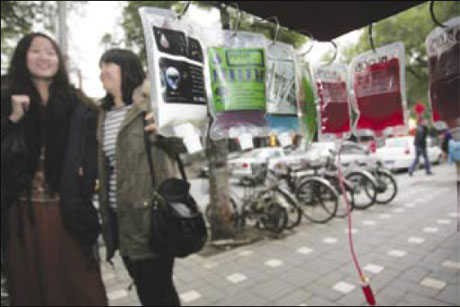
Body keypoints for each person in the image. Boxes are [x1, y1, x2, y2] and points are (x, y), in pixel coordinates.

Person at [0, 33, 107, 306]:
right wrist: (13, 119)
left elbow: (94, 146)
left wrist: (86, 175)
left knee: (81, 288)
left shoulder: (76, 102)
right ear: (23, 56)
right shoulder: (5, 95)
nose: (44, 57)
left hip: (67, 210)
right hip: (21, 215)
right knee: (32, 289)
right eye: (36, 51)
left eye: (50, 52)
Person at [97, 49, 185, 306]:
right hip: (117, 217)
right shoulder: (102, 114)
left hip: (151, 218)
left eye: (108, 65)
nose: (102, 72)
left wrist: (165, 130)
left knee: (158, 293)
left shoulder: (151, 105)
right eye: (100, 67)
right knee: (147, 291)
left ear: (127, 68)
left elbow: (186, 144)